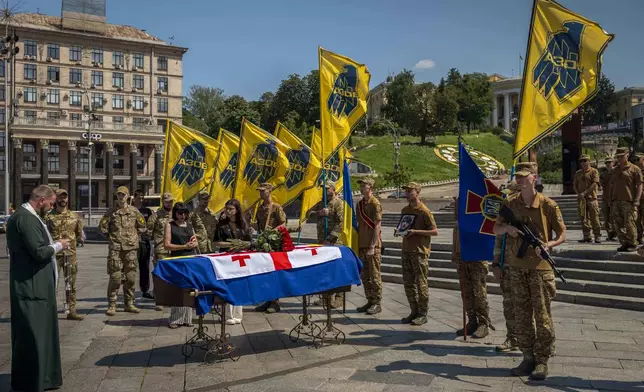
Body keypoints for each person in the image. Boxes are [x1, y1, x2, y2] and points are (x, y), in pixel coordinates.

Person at [493, 162, 566, 381]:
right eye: (518, 176)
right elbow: (495, 228)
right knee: (521, 315)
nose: (521, 180)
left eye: (525, 176)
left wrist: (548, 245)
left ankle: (542, 360)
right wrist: (508, 229)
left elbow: (562, 234)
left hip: (540, 269)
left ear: (535, 178)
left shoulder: (548, 205)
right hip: (516, 267)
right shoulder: (509, 203)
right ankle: (527, 357)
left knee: (542, 316)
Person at [7, 185, 71, 392]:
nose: (52, 207)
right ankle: (34, 380)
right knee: (33, 336)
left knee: (41, 335)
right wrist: (60, 245)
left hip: (37, 286)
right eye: (51, 203)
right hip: (31, 288)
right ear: (41, 200)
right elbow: (39, 252)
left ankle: (45, 377)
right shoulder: (26, 219)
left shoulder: (30, 217)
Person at [148, 192, 209, 311]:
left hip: (183, 253)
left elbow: (194, 231)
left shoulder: (180, 214)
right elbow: (149, 230)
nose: (168, 203)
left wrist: (194, 244)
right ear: (162, 201)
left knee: (179, 280)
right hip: (161, 249)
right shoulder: (156, 215)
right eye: (166, 201)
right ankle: (159, 299)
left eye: (170, 201)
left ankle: (178, 302)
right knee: (161, 276)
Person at [99, 186, 147, 316]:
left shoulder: (134, 211)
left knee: (131, 278)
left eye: (123, 195)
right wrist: (112, 238)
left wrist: (134, 236)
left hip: (130, 249)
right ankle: (112, 304)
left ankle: (129, 303)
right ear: (117, 196)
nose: (121, 197)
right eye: (119, 195)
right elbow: (102, 227)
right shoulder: (111, 212)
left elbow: (142, 226)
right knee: (115, 278)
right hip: (115, 249)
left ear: (128, 196)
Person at [397, 182, 438, 326]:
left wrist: (416, 232)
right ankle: (413, 311)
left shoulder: (424, 211)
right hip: (407, 250)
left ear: (417, 192)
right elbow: (403, 227)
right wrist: (400, 232)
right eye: (406, 191)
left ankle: (422, 313)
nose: (407, 194)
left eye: (410, 191)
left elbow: (434, 231)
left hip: (419, 252)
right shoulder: (405, 210)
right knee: (408, 284)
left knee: (421, 284)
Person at [452, 199, 491, 338]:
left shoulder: (480, 212)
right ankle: (472, 321)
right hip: (462, 258)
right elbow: (455, 236)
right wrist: (454, 256)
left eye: (458, 206)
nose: (456, 209)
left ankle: (483, 323)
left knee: (479, 293)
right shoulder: (459, 218)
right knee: (466, 293)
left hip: (477, 258)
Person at [46, 188, 85, 321]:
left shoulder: (75, 217)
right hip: (54, 256)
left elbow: (80, 235)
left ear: (68, 199)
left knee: (71, 285)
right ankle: (50, 311)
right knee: (51, 284)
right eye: (60, 197)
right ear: (55, 199)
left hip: (70, 255)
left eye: (65, 197)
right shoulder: (48, 217)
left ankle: (71, 311)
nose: (63, 200)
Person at [491, 182, 520, 353]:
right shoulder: (504, 214)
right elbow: (498, 240)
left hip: (527, 265)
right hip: (507, 265)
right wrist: (495, 264)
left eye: (512, 193)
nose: (508, 197)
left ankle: (531, 340)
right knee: (508, 304)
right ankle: (512, 338)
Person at [214, 199, 253, 324]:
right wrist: (231, 244)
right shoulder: (221, 225)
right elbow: (216, 242)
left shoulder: (243, 224)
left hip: (240, 258)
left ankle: (238, 315)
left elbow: (249, 242)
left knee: (239, 285)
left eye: (231, 209)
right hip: (226, 258)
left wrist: (242, 246)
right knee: (228, 285)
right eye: (227, 208)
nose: (228, 211)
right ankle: (227, 315)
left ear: (237, 210)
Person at [309, 181, 345, 309]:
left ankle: (339, 298)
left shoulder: (338, 203)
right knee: (324, 270)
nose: (324, 191)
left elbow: (341, 224)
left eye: (327, 189)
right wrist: (320, 213)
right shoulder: (321, 203)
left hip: (334, 243)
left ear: (333, 189)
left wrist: (330, 238)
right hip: (321, 242)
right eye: (323, 189)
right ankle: (325, 297)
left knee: (336, 271)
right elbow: (309, 215)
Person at [164, 202, 200, 328]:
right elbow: (167, 245)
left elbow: (195, 241)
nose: (182, 216)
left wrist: (193, 245)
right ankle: (175, 319)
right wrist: (184, 246)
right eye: (179, 213)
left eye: (184, 213)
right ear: (175, 213)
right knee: (178, 289)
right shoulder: (170, 225)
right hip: (177, 259)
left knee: (189, 289)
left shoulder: (189, 225)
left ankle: (187, 318)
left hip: (190, 260)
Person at [253, 183, 287, 314]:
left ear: (270, 191)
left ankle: (275, 302)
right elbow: (259, 225)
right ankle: (268, 299)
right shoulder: (260, 208)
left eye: (263, 191)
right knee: (265, 273)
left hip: (274, 245)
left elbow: (283, 224)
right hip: (264, 244)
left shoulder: (276, 207)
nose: (261, 193)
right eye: (259, 191)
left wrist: (271, 232)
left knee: (274, 274)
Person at [355, 177, 383, 315]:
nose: (361, 188)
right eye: (360, 185)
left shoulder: (375, 203)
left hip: (373, 245)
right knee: (365, 276)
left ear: (370, 187)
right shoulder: (359, 204)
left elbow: (377, 226)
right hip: (362, 244)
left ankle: (377, 303)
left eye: (363, 185)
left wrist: (373, 246)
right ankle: (369, 300)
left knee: (375, 276)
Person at [610, 147, 643, 252]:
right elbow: (612, 185)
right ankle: (624, 243)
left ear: (627, 156)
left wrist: (637, 199)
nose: (619, 158)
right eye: (618, 157)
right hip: (616, 200)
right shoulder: (615, 170)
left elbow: (639, 185)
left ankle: (632, 243)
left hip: (629, 200)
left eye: (621, 156)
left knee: (629, 223)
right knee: (617, 224)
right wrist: (611, 199)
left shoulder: (634, 169)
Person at [573, 154, 601, 243]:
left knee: (594, 218)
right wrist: (579, 194)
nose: (583, 162)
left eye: (585, 160)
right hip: (582, 199)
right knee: (583, 218)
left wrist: (584, 193)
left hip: (591, 198)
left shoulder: (594, 171)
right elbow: (574, 185)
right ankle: (587, 236)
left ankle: (597, 236)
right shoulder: (578, 173)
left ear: (589, 161)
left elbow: (594, 184)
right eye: (581, 161)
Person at [132, 189, 154, 299]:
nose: (140, 199)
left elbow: (151, 227)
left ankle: (145, 290)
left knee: (145, 267)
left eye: (142, 197)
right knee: (130, 267)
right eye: (138, 197)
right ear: (134, 198)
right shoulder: (129, 210)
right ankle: (129, 291)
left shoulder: (147, 211)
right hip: (131, 243)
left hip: (144, 242)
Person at [599, 157, 616, 241]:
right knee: (606, 217)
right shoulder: (603, 174)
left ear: (613, 163)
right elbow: (600, 185)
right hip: (605, 197)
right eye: (607, 163)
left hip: (615, 198)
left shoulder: (617, 172)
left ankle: (615, 233)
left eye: (610, 162)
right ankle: (610, 234)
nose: (608, 164)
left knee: (615, 217)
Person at [635, 153, 644, 244]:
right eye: (635, 160)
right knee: (637, 219)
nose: (636, 162)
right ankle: (639, 237)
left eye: (638, 159)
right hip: (638, 199)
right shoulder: (635, 171)